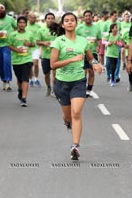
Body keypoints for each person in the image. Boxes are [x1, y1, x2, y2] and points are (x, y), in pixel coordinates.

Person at [50, 12, 103, 160]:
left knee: (76, 113)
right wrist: (72, 59)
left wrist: (96, 64)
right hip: (61, 83)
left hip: (79, 81)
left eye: (72, 20)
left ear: (76, 23)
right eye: (66, 21)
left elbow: (91, 58)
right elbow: (52, 65)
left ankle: (75, 146)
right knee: (68, 117)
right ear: (62, 25)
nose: (69, 23)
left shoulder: (83, 41)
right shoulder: (58, 41)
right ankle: (67, 122)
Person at [8, 16, 35, 107]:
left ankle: (24, 98)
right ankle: (20, 89)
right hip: (16, 60)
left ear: (26, 24)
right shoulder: (12, 34)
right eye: (20, 22)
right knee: (19, 79)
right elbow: (9, 45)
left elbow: (34, 43)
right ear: (17, 24)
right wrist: (16, 50)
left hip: (27, 59)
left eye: (23, 22)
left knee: (25, 78)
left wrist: (29, 44)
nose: (22, 24)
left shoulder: (30, 34)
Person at [76, 10, 101, 97]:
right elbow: (74, 39)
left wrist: (98, 46)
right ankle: (82, 89)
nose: (88, 17)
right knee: (83, 72)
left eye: (89, 15)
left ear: (92, 17)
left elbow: (99, 39)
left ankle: (89, 89)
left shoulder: (96, 28)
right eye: (86, 16)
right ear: (83, 18)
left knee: (91, 72)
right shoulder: (79, 28)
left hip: (93, 53)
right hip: (82, 53)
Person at [36, 13, 57, 96]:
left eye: (52, 18)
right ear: (45, 20)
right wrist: (44, 43)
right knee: (47, 74)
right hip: (45, 56)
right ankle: (48, 87)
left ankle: (54, 90)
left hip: (56, 55)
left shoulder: (57, 30)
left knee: (55, 73)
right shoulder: (41, 30)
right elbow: (37, 42)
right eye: (48, 18)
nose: (50, 20)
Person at [26, 13, 41, 87]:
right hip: (27, 48)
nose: (34, 19)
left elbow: (41, 36)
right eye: (32, 18)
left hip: (35, 48)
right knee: (29, 65)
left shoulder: (38, 26)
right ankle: (31, 79)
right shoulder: (25, 26)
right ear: (28, 18)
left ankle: (36, 78)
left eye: (35, 18)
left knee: (36, 64)